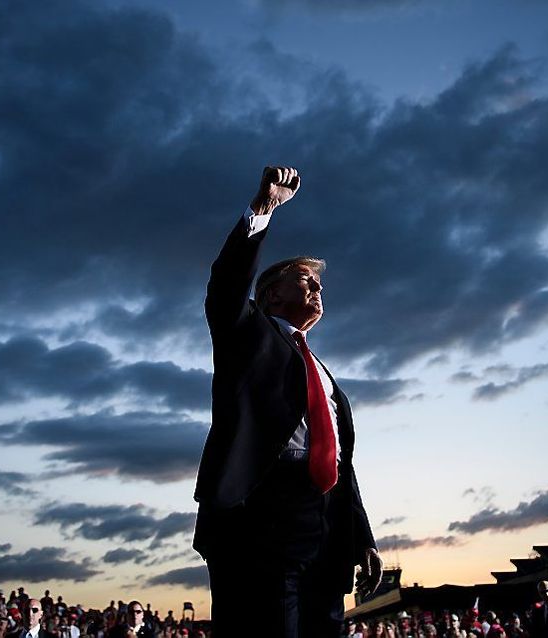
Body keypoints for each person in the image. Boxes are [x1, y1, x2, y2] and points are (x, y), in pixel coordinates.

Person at [192, 166, 380, 637]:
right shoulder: (248, 337)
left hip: (324, 524)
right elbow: (226, 288)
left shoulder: (323, 373)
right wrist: (262, 210)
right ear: (271, 293)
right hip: (259, 517)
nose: (317, 287)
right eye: (305, 280)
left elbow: (342, 460)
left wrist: (363, 538)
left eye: (319, 284)